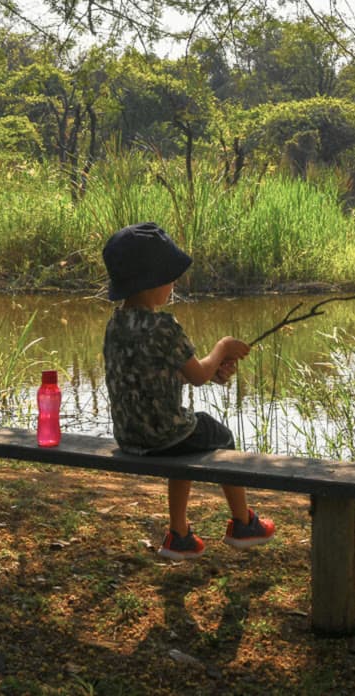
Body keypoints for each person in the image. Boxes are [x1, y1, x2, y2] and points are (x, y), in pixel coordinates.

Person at [101, 222, 276, 560]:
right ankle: (243, 523)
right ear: (153, 282)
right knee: (218, 433)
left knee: (183, 437)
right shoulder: (164, 325)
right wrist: (223, 348)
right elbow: (196, 376)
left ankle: (179, 534)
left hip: (129, 436)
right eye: (170, 277)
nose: (174, 283)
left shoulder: (116, 324)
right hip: (162, 436)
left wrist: (212, 372)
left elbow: (155, 374)